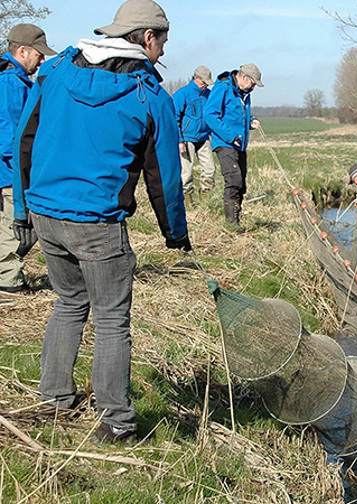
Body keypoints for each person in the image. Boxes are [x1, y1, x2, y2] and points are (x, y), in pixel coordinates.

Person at [12, 0, 190, 443]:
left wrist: (22, 213)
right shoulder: (149, 94)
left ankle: (53, 398)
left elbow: (25, 141)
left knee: (69, 303)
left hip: (46, 214)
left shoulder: (55, 71)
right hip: (96, 223)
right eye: (163, 40)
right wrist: (176, 234)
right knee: (111, 319)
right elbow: (164, 174)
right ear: (147, 37)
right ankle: (117, 423)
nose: (164, 50)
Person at [0, 24, 55, 293]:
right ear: (22, 51)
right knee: (13, 228)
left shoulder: (10, 78)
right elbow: (11, 136)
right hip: (9, 172)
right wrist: (28, 168)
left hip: (9, 169)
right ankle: (9, 284)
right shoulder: (10, 82)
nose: (41, 60)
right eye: (38, 54)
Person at [204, 63, 262, 232]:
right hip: (225, 142)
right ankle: (231, 225)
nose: (253, 87)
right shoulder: (223, 88)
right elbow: (210, 115)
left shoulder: (245, 93)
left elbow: (238, 114)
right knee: (233, 179)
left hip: (240, 144)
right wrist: (230, 135)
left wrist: (250, 121)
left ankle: (237, 217)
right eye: (253, 83)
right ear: (244, 77)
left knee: (241, 184)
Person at [173, 65, 215, 207]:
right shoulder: (182, 94)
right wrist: (179, 140)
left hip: (204, 138)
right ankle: (188, 205)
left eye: (207, 83)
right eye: (203, 82)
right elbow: (175, 118)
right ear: (196, 78)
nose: (205, 86)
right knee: (186, 174)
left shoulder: (209, 95)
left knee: (210, 170)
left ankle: (205, 201)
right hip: (186, 139)